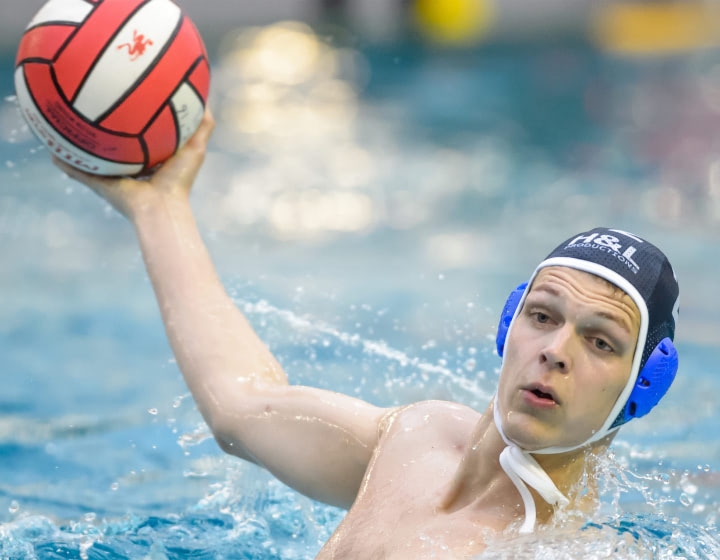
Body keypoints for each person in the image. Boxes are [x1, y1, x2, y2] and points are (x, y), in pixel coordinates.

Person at [54, 110, 680, 559]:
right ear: (507, 324)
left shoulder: (566, 552)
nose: (555, 351)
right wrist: (159, 206)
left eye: (601, 342)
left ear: (642, 388)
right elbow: (238, 408)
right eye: (543, 316)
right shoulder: (415, 438)